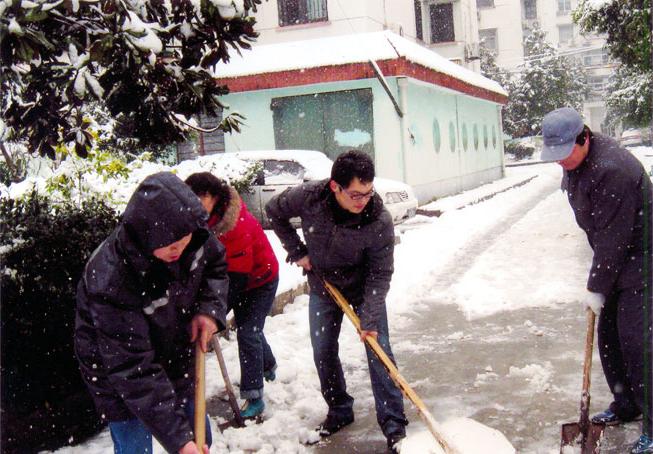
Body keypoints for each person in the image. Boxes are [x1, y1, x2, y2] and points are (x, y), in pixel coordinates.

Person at [74, 172, 229, 454]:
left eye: (185, 239)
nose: (181, 248)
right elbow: (134, 370)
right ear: (146, 234)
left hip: (175, 353)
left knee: (200, 438)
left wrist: (208, 310)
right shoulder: (111, 279)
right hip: (119, 376)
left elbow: (215, 267)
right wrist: (180, 443)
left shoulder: (191, 237)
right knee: (137, 448)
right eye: (171, 243)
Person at [265, 149, 408, 452]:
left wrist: (368, 321)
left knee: (379, 352)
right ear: (335, 187)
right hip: (324, 285)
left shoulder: (378, 219)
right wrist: (297, 250)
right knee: (323, 350)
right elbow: (274, 210)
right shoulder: (310, 197)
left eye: (368, 193)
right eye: (356, 194)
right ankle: (340, 409)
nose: (363, 201)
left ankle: (395, 428)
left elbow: (380, 275)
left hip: (362, 288)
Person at [541, 107, 653, 454]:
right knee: (609, 338)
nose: (561, 162)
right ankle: (626, 404)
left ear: (584, 138)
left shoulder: (613, 170)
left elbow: (613, 241)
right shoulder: (575, 164)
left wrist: (596, 287)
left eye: (564, 154)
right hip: (616, 257)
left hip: (643, 260)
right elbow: (603, 239)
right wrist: (602, 281)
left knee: (638, 344)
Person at [185, 172, 279, 419]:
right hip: (235, 278)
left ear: (215, 197)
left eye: (200, 197)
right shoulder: (201, 218)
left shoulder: (234, 225)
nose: (194, 202)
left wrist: (214, 315)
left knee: (248, 332)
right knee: (251, 329)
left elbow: (235, 279)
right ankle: (268, 364)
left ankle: (254, 396)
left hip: (260, 279)